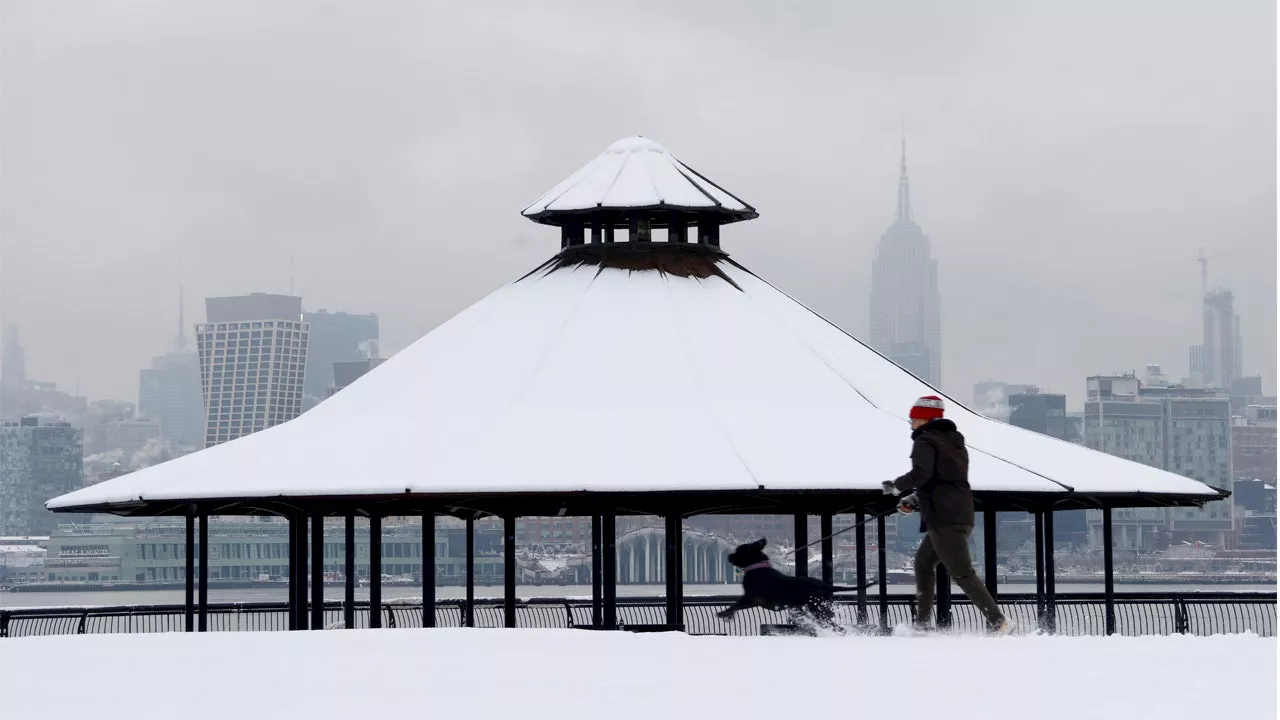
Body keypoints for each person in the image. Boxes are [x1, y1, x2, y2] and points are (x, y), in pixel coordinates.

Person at [882, 395, 1012, 634]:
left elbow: (922, 474)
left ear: (924, 419)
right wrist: (914, 499)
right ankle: (921, 624)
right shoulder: (954, 443)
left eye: (913, 417)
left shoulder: (925, 441)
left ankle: (998, 622)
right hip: (958, 514)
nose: (910, 422)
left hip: (944, 519)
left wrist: (896, 486)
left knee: (962, 573)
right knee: (922, 564)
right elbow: (943, 481)